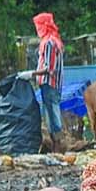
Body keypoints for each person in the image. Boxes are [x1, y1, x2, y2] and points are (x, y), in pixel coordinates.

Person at [29, 13, 65, 147]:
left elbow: (49, 68)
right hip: (49, 83)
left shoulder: (49, 42)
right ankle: (56, 143)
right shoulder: (52, 40)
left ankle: (58, 144)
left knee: (52, 113)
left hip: (50, 83)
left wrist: (32, 73)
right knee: (50, 112)